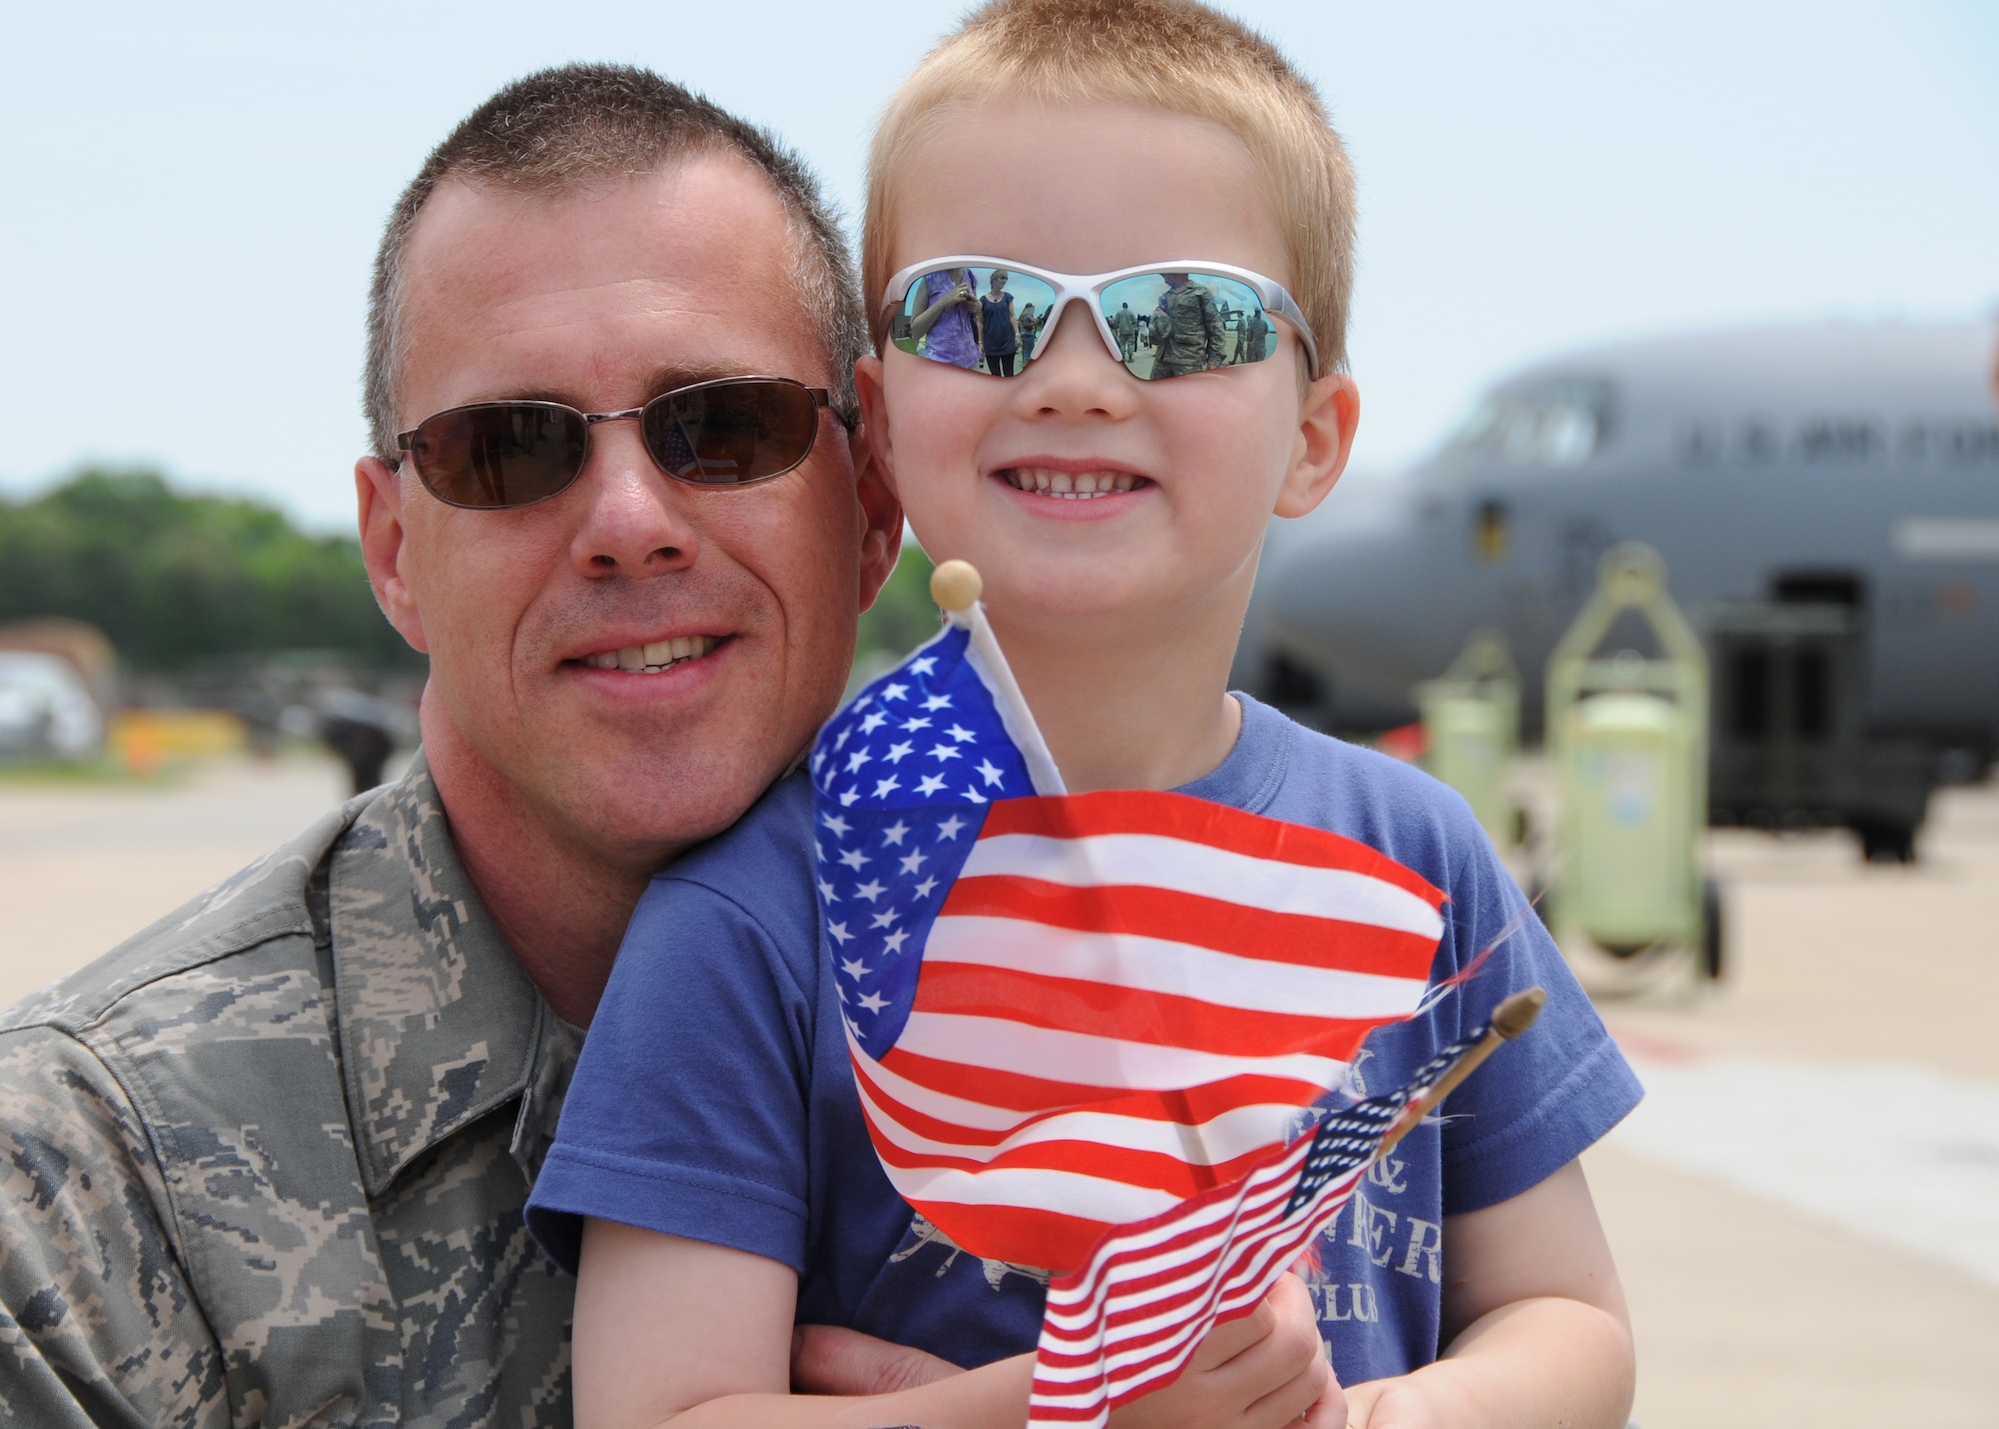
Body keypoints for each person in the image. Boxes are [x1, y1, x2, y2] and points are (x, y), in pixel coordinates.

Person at [530, 4, 1642, 1429]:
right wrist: (1077, 1408)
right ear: (876, 417)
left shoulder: (1416, 857)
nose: (1071, 378)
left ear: (1314, 439)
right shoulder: (765, 911)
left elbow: (1573, 1322)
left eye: (1185, 320)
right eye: (975, 312)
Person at [0, 64, 942, 1427]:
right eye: (508, 449)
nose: (630, 518)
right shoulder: (79, 1197)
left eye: (722, 426)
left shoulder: (1133, 1032)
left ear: (871, 505)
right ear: (394, 553)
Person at [1150, 269, 1227, 377]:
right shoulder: (1165, 297)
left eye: (1165, 276)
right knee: (1155, 392)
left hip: (1189, 361)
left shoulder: (1200, 293)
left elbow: (1215, 326)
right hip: (1162, 360)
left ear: (1177, 273)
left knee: (1188, 393)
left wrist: (1214, 360)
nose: (1165, 281)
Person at [907, 265, 983, 369]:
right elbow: (915, 331)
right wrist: (944, 301)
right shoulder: (930, 278)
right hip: (938, 363)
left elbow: (976, 316)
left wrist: (977, 307)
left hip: (970, 361)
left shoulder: (970, 276)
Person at [979, 267, 1020, 376]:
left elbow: (1012, 316)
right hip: (991, 343)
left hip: (1007, 341)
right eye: (1002, 278)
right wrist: (980, 342)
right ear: (994, 280)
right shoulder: (983, 300)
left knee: (1009, 373)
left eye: (1006, 278)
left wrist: (1017, 334)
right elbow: (980, 322)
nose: (1004, 281)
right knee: (995, 375)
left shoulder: (1007, 297)